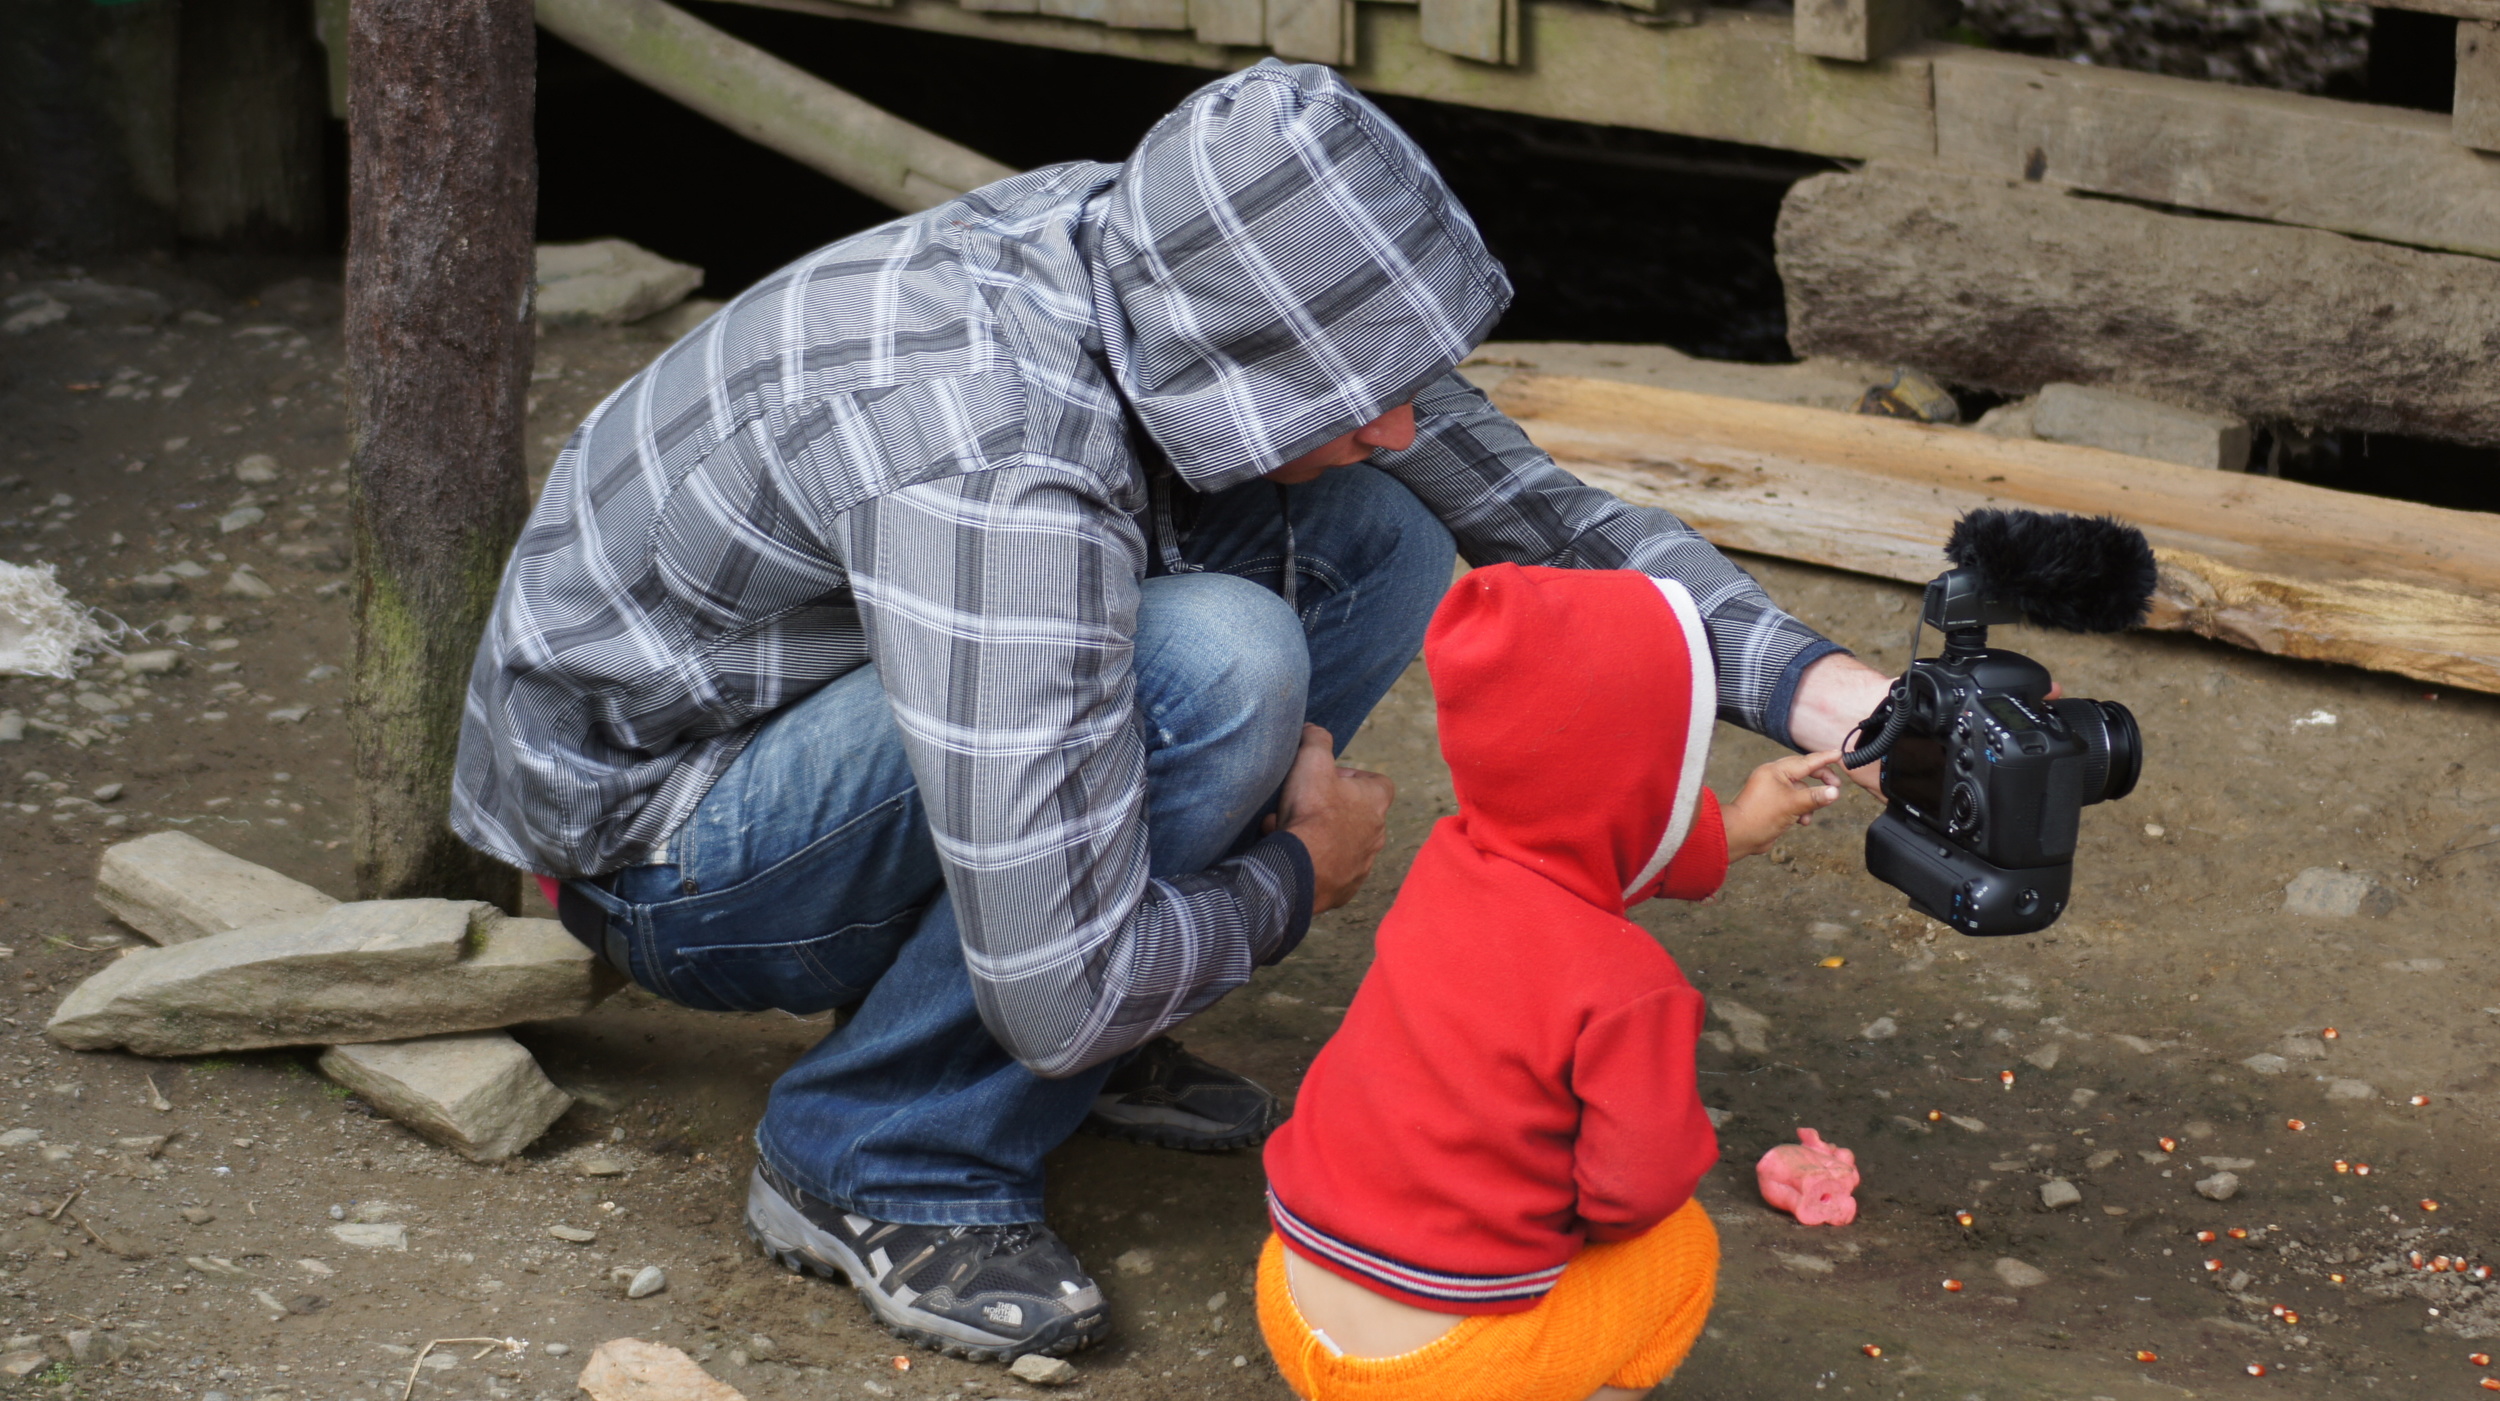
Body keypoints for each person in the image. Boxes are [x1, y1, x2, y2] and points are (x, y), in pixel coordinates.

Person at [450, 61, 1892, 1363]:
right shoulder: (1000, 463)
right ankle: (878, 1152)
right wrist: (1292, 877)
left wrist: (1834, 693)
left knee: (1382, 524)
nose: (1402, 417)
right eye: (1352, 390)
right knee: (1213, 664)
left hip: (824, 695)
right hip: (665, 845)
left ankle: (1061, 1006)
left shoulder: (1163, 247)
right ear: (1227, 352)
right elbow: (1055, 985)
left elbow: (1540, 518)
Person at [1256, 564, 1843, 1401]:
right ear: (1647, 776)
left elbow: (1557, 871)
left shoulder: (1447, 863)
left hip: (1294, 1301)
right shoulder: (1633, 985)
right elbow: (1633, 1189)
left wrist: (1733, 830)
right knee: (1680, 1248)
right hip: (1450, 1370)